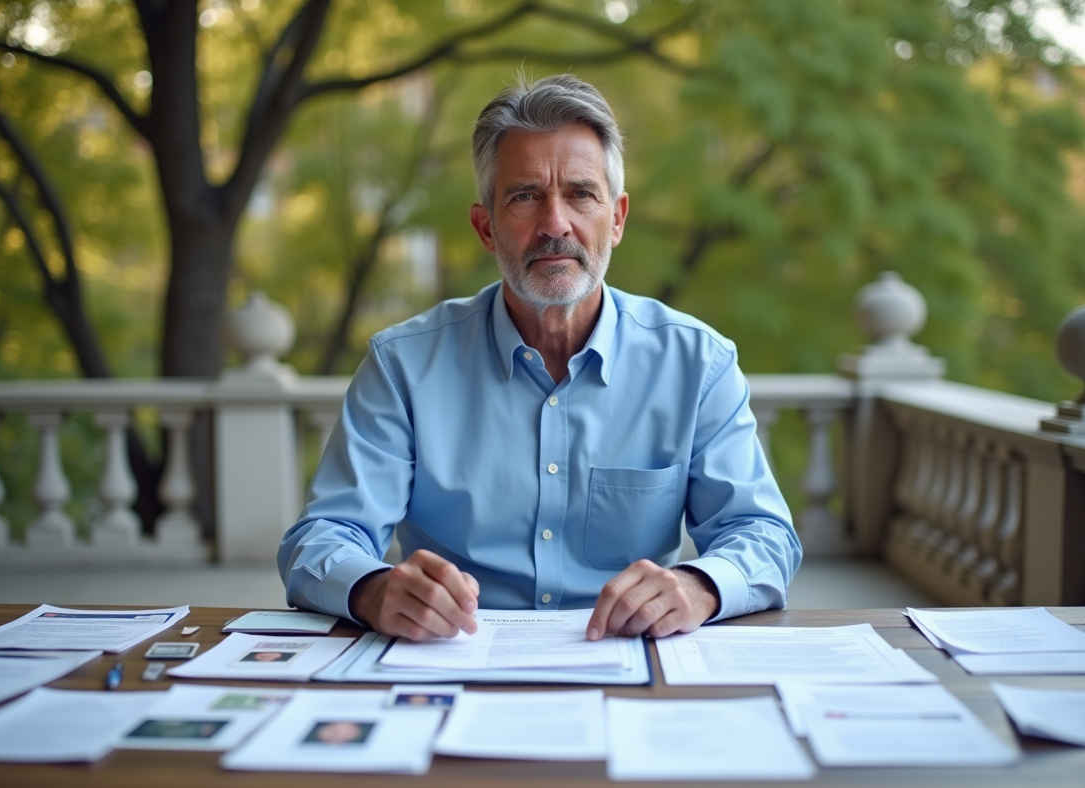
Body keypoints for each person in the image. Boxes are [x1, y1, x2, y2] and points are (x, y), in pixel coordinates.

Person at [278, 74, 801, 643]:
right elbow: (321, 539)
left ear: (618, 218)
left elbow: (763, 533)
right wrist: (375, 590)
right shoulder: (402, 366)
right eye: (525, 196)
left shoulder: (698, 363)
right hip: (453, 661)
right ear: (485, 227)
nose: (556, 224)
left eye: (581, 193)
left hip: (628, 662)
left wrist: (699, 586)